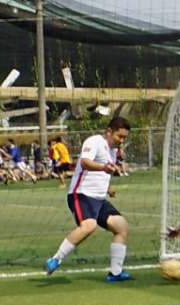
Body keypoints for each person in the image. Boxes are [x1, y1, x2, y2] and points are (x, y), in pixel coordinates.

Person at [44, 117, 133, 282]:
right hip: (81, 194)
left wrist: (107, 188)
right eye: (119, 136)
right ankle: (56, 259)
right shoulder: (95, 142)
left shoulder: (113, 151)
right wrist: (103, 168)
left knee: (122, 227)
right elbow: (85, 163)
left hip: (99, 199)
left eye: (124, 138)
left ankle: (115, 273)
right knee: (89, 225)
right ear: (108, 131)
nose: (121, 141)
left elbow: (101, 173)